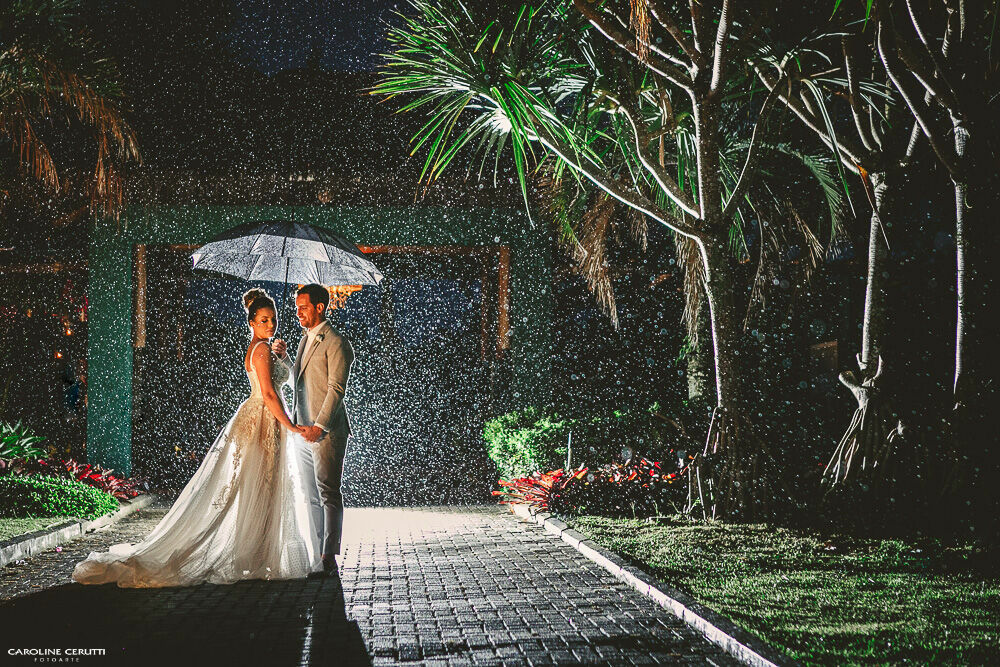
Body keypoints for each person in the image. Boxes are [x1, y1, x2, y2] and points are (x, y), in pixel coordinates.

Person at [71, 289, 323, 587]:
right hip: (264, 420)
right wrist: (291, 426)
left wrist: (282, 357)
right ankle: (256, 555)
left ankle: (256, 554)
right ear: (252, 323)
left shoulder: (262, 349)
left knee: (260, 485)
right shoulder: (261, 350)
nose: (271, 325)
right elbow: (269, 394)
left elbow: (285, 381)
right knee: (262, 484)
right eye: (264, 320)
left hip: (263, 418)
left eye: (273, 319)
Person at [272, 283, 354, 576]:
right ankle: (317, 556)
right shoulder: (303, 340)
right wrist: (284, 358)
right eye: (297, 307)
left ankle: (329, 556)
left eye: (303, 307)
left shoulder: (337, 342)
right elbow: (299, 379)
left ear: (319, 307)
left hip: (326, 432)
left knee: (328, 492)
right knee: (309, 495)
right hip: (301, 429)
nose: (298, 313)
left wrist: (319, 427)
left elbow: (336, 389)